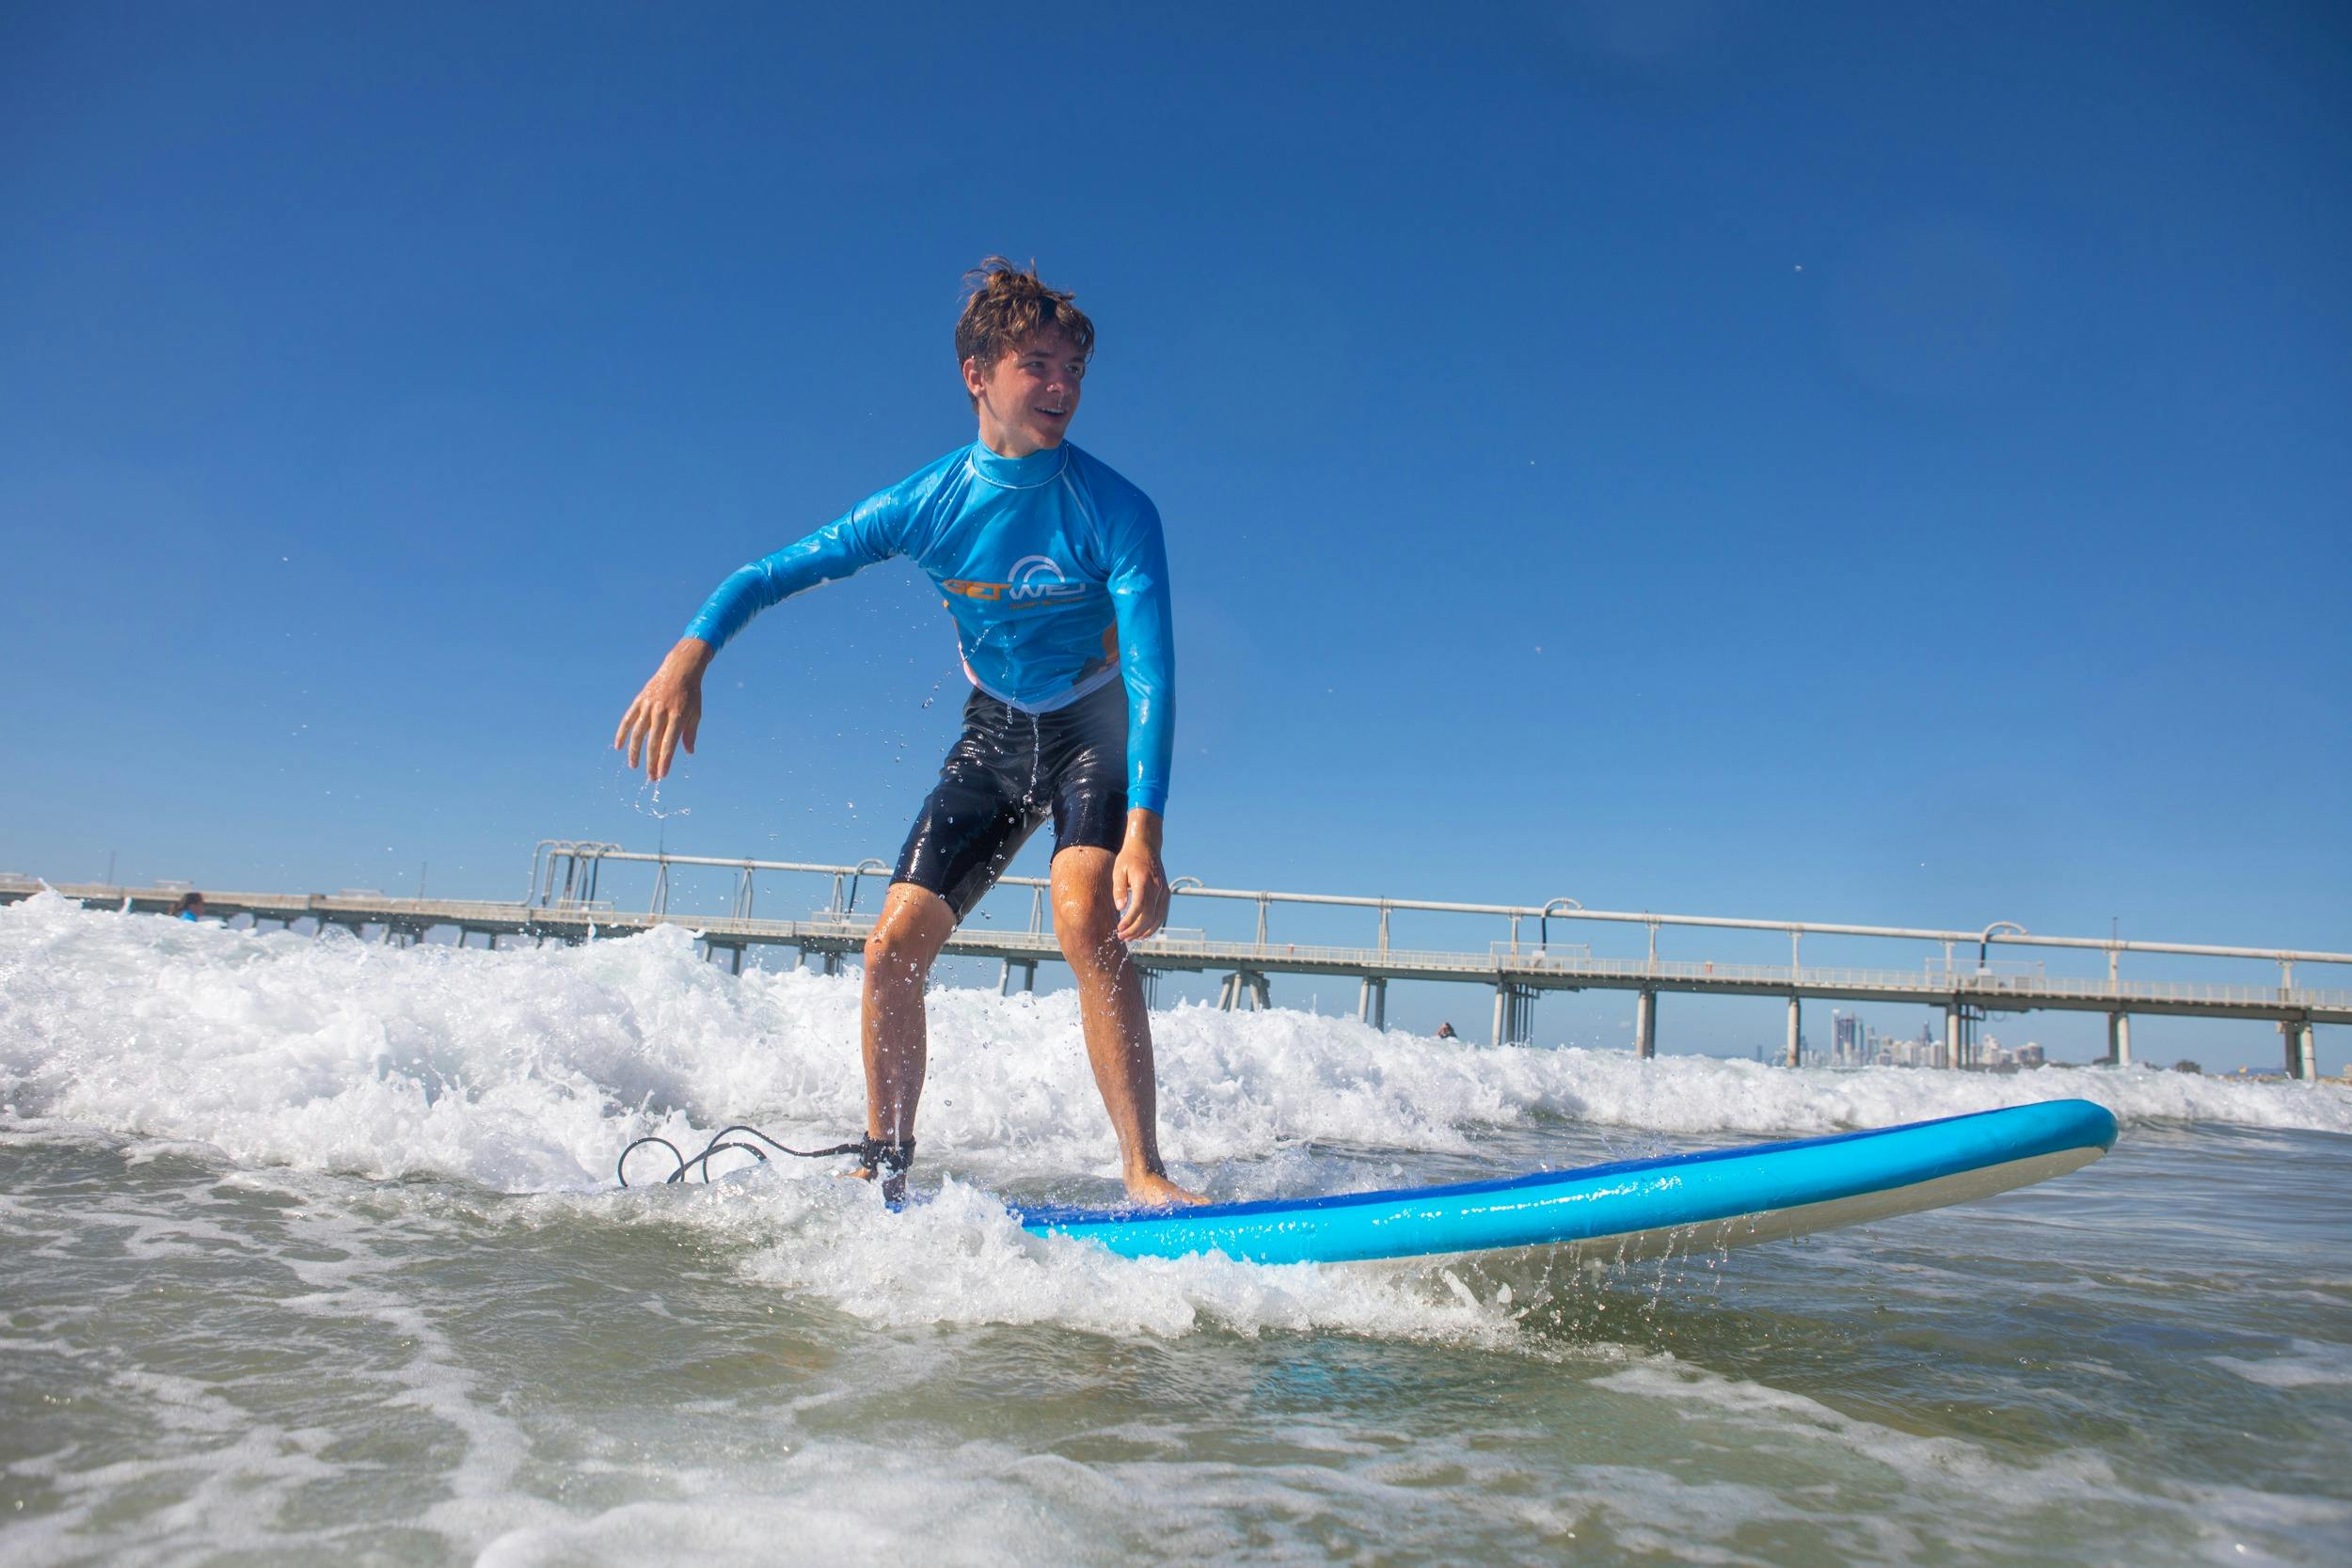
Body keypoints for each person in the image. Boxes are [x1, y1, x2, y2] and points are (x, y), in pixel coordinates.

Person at [613, 260, 1201, 1208]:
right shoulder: (927, 503)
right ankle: (884, 1164)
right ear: (978, 374)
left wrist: (1145, 832)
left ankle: (1143, 1171)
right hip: (996, 730)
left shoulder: (1117, 509)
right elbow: (775, 570)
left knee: (1082, 913)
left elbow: (1152, 674)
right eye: (1038, 366)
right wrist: (691, 653)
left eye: (1073, 371)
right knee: (890, 948)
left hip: (1094, 722)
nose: (1062, 387)